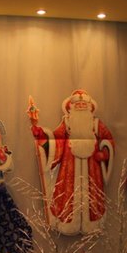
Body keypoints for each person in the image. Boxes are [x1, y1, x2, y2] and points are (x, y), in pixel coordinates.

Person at [29, 90, 114, 235]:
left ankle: (92, 224)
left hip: (92, 168)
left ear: (89, 106)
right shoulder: (67, 123)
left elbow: (108, 139)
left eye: (83, 103)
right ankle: (68, 223)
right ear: (71, 107)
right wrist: (41, 134)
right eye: (77, 104)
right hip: (69, 167)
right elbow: (55, 140)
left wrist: (105, 153)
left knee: (92, 194)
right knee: (68, 194)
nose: (80, 106)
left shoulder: (96, 124)